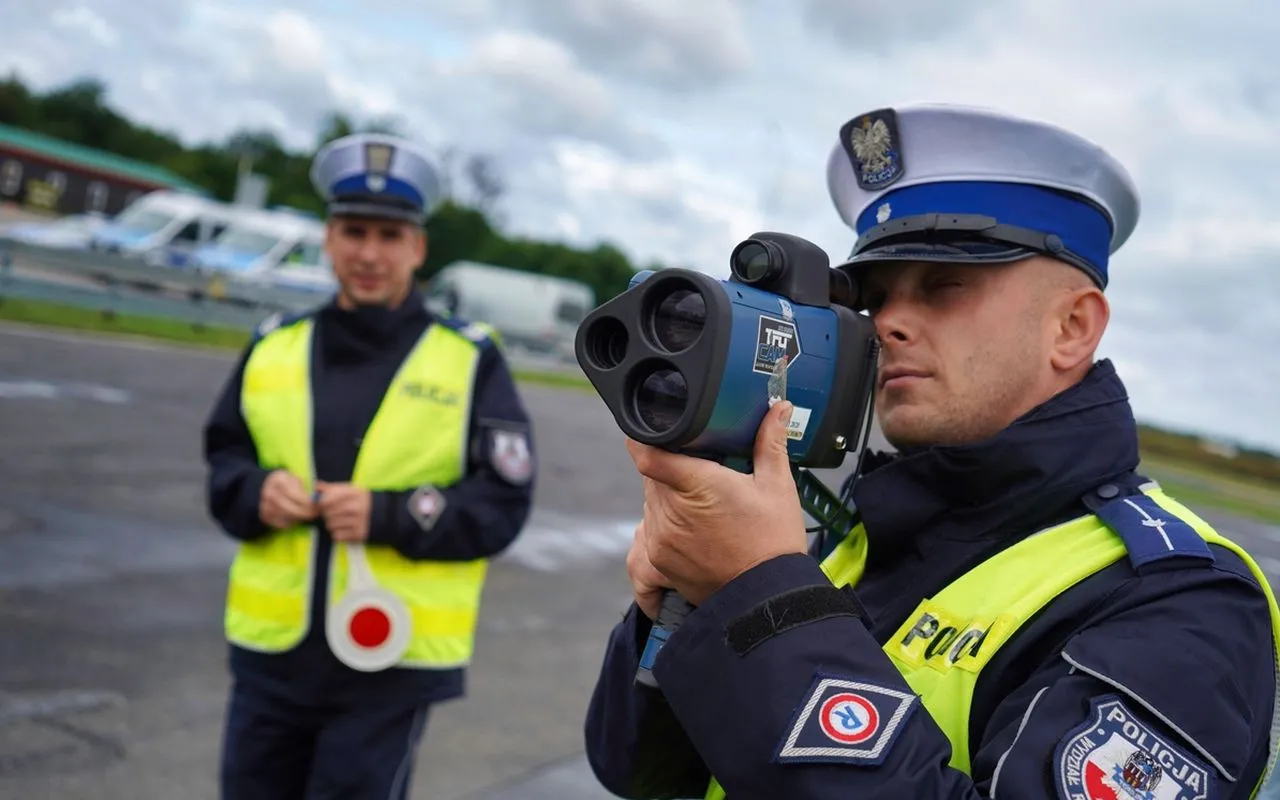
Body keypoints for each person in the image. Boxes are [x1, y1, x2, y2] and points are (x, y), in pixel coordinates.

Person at [582, 104, 1280, 798]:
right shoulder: (852, 534)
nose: (889, 324)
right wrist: (686, 602)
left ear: (1073, 327)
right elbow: (637, 770)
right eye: (876, 297)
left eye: (944, 287)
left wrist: (761, 601)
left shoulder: (1182, 602)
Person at [203, 132, 537, 799]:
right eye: (354, 232)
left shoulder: (469, 358)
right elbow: (224, 461)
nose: (369, 253)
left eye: (389, 236)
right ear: (328, 239)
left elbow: (501, 506)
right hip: (272, 659)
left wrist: (388, 515)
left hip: (388, 664)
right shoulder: (275, 345)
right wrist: (255, 493)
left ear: (418, 248)